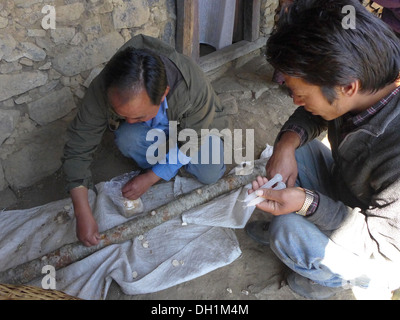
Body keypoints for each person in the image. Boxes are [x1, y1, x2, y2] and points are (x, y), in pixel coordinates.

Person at [245, 0, 400, 299]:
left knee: (286, 230)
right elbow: (315, 113)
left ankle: (337, 279)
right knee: (299, 150)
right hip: (352, 192)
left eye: (301, 94)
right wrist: (285, 144)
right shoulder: (366, 82)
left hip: (382, 245)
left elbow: (381, 243)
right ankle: (307, 225)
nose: (295, 102)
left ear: (347, 87)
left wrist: (307, 204)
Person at [62, 34, 231, 247]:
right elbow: (78, 146)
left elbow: (194, 137)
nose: (130, 121)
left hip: (196, 130)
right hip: (160, 133)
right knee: (127, 137)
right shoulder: (105, 88)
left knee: (210, 173)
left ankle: (168, 165)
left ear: (164, 94)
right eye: (122, 115)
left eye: (140, 116)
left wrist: (152, 177)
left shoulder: (191, 86)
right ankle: (169, 163)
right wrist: (82, 212)